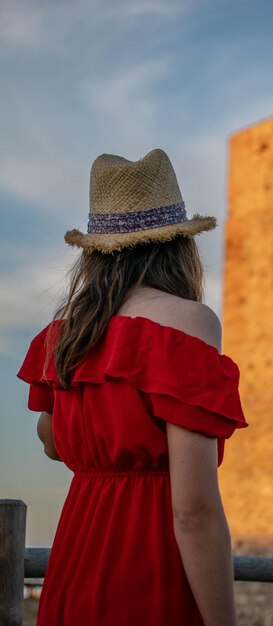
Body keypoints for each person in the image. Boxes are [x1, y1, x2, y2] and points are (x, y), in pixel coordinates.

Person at [16, 149, 248, 626]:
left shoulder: (65, 333)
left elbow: (54, 444)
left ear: (95, 250)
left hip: (76, 557)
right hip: (152, 563)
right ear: (178, 244)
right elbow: (195, 510)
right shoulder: (187, 321)